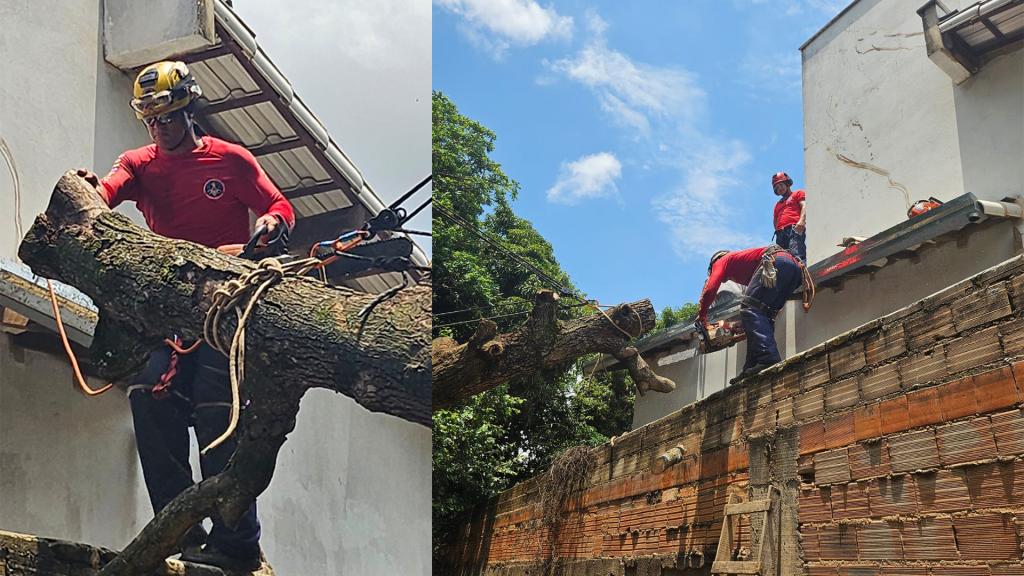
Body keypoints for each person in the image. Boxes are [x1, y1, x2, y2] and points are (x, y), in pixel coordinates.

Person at [78, 60, 295, 572]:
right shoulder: (140, 162)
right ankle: (180, 531)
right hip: (169, 306)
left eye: (168, 118)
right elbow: (108, 189)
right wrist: (90, 191)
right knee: (149, 400)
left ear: (187, 108)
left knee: (217, 414)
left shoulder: (232, 160)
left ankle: (236, 543)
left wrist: (269, 222)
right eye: (151, 121)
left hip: (224, 306)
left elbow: (280, 204)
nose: (160, 129)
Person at [696, 245, 812, 384]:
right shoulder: (744, 266)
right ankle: (751, 366)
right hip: (794, 270)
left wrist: (702, 315)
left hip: (777, 262)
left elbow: (710, 289)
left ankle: (768, 358)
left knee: (749, 307)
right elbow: (757, 314)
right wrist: (743, 323)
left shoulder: (722, 262)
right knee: (765, 314)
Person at [772, 172, 807, 263]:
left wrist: (801, 222)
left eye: (781, 185)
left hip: (793, 229)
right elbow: (775, 221)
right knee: (782, 260)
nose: (779, 188)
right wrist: (778, 231)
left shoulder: (798, 193)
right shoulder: (777, 204)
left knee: (797, 256)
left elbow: (805, 206)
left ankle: (802, 276)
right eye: (777, 187)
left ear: (787, 183)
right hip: (780, 234)